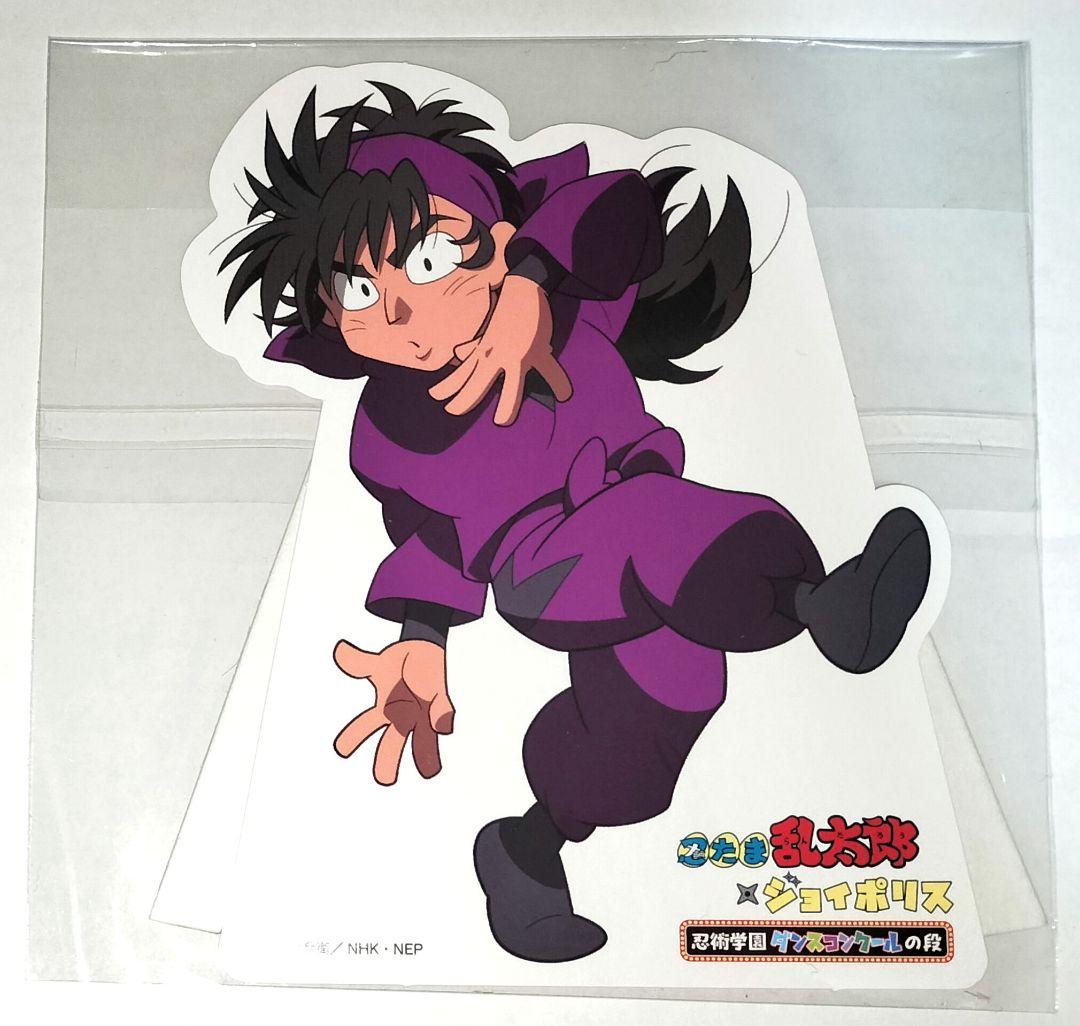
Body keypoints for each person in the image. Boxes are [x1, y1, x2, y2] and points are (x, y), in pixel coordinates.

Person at [220, 82, 932, 963]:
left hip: (651, 544)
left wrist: (530, 285)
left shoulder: (562, 301)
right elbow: (431, 538)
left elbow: (617, 210)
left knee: (654, 725)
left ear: (498, 241)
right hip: (543, 564)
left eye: (430, 257)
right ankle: (822, 603)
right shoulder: (388, 429)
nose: (400, 309)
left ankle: (527, 850)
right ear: (331, 315)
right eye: (359, 286)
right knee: (653, 528)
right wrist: (420, 640)